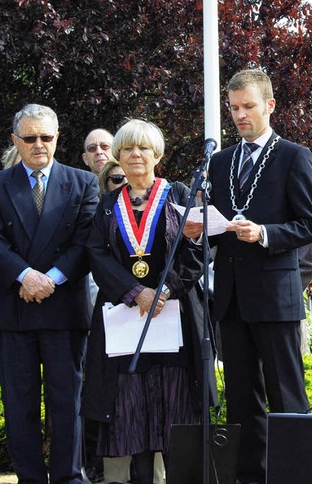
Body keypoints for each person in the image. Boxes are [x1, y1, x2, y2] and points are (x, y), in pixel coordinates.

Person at [184, 68, 312, 484]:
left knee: (285, 394)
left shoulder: (293, 156)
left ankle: (296, 475)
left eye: (248, 107)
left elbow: (311, 224)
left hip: (275, 294)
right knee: (242, 398)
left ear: (270, 105)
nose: (240, 115)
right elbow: (219, 229)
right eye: (234, 108)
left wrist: (264, 233)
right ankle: (249, 476)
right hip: (231, 296)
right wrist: (198, 231)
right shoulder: (221, 161)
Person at [81, 119, 216, 484]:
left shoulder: (180, 195)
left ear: (157, 154)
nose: (135, 155)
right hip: (128, 325)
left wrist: (166, 289)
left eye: (143, 148)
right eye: (127, 148)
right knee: (133, 414)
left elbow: (199, 249)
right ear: (118, 157)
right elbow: (96, 254)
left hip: (176, 322)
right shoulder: (108, 205)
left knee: (176, 411)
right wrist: (134, 291)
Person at [0, 103, 99, 484]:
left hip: (63, 309)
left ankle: (69, 478)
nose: (38, 145)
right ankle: (29, 479)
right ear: (15, 140)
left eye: (46, 137)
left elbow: (86, 243)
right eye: (29, 138)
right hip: (12, 310)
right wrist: (27, 277)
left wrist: (52, 279)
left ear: (57, 137)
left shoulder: (83, 183)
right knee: (19, 405)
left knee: (68, 404)